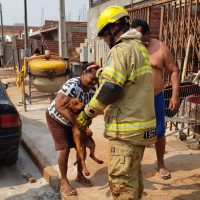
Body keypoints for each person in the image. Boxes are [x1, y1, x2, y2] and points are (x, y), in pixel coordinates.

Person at [76, 6, 156, 200]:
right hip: (141, 128)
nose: (104, 39)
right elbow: (127, 82)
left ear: (114, 29)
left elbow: (111, 88)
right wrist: (104, 71)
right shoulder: (139, 48)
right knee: (133, 180)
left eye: (104, 34)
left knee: (121, 185)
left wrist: (87, 113)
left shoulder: (121, 50)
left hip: (126, 130)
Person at [131, 19, 180, 180]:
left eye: (138, 35)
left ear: (147, 34)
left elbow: (173, 71)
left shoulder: (160, 48)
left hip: (156, 97)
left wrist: (174, 95)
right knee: (136, 133)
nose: (136, 38)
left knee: (159, 132)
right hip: (137, 100)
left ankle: (160, 164)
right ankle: (136, 165)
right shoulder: (130, 48)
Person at [46, 63, 100, 197]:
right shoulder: (72, 85)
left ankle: (80, 175)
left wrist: (86, 127)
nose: (93, 82)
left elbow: (89, 112)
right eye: (91, 78)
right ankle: (64, 181)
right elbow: (59, 106)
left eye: (96, 80)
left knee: (81, 146)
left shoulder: (92, 91)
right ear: (83, 74)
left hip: (74, 123)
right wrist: (78, 124)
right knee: (64, 149)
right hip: (56, 119)